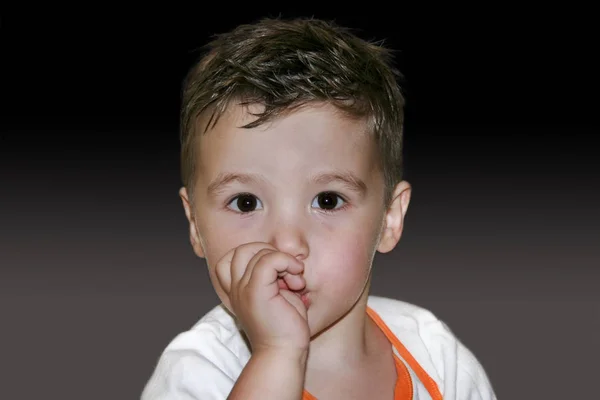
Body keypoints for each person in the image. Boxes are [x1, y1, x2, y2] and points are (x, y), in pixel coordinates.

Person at [141, 17, 496, 400]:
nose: (287, 243)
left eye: (327, 200)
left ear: (390, 219)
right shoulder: (197, 373)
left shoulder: (438, 358)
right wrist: (277, 354)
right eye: (246, 203)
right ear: (195, 224)